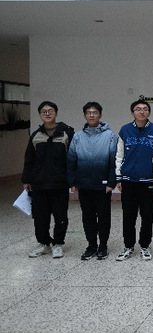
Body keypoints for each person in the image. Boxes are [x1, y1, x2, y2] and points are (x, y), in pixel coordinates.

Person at [22, 101, 74, 258]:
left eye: (50, 110)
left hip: (59, 183)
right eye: (43, 111)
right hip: (39, 184)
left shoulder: (67, 133)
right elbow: (29, 159)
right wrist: (26, 180)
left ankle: (58, 243)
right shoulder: (36, 135)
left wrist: (72, 180)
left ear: (56, 113)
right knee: (40, 217)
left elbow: (72, 158)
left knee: (60, 216)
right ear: (40, 115)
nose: (47, 113)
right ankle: (44, 243)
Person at [115, 99, 153, 261]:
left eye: (145, 109)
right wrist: (118, 177)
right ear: (132, 113)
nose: (141, 112)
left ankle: (145, 246)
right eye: (138, 109)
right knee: (128, 216)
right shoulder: (125, 130)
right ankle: (128, 246)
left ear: (149, 112)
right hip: (128, 180)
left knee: (147, 215)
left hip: (148, 181)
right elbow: (119, 155)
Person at [67, 102, 117, 261]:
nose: (91, 115)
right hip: (84, 184)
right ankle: (91, 245)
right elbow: (71, 160)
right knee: (87, 217)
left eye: (94, 112)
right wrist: (73, 182)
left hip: (103, 185)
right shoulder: (77, 136)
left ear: (100, 115)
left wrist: (111, 182)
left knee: (103, 217)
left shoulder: (110, 135)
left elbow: (114, 161)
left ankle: (103, 246)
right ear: (84, 115)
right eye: (88, 112)